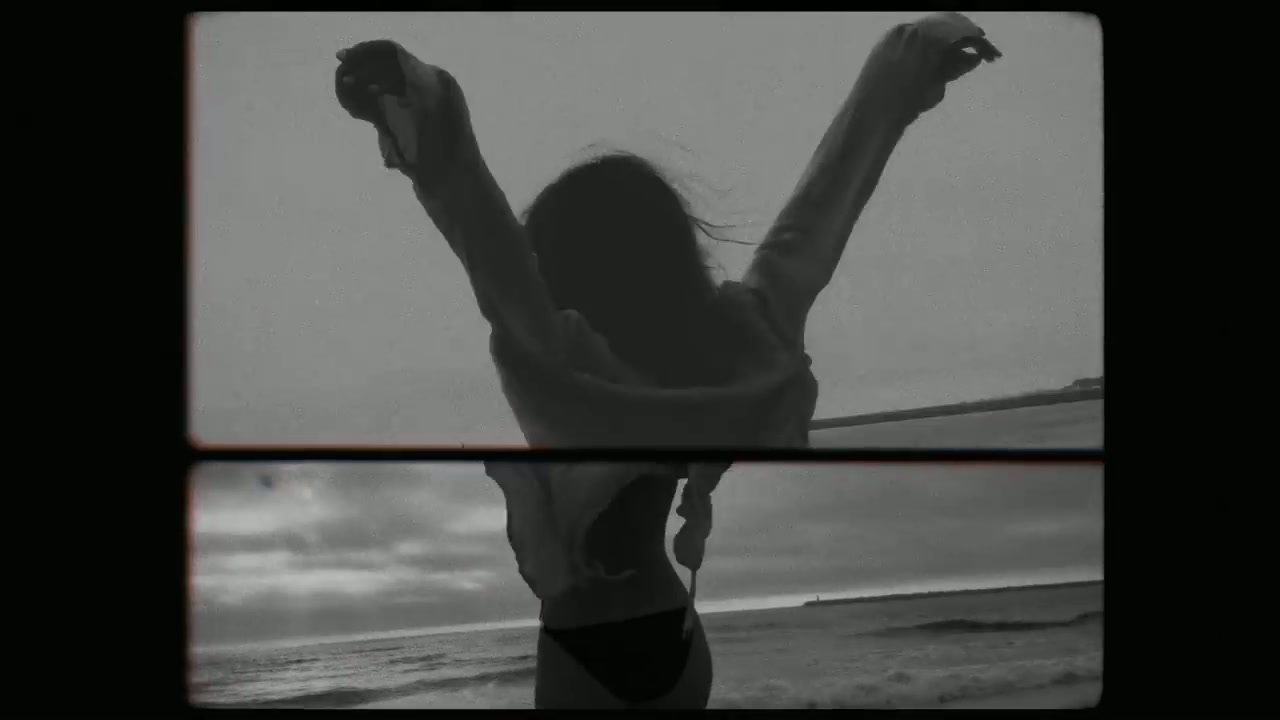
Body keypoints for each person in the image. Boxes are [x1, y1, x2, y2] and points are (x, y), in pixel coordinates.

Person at [334, 12, 1000, 709]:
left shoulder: (561, 364)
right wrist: (905, 65)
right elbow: (815, 217)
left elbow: (482, 230)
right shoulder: (719, 355)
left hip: (582, 644)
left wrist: (418, 104)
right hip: (673, 634)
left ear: (552, 259)